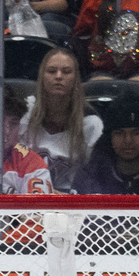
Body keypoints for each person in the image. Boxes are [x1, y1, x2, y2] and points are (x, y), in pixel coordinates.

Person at [19, 47, 104, 193]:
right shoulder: (25, 112)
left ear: (76, 79)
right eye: (52, 71)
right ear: (42, 76)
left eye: (66, 72)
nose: (58, 76)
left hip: (70, 204)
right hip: (26, 199)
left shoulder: (91, 124)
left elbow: (95, 179)